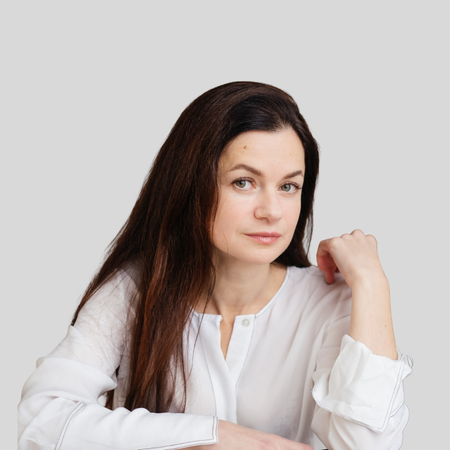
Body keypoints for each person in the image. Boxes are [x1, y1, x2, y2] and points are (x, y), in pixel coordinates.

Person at [18, 81, 413, 450]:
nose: (272, 211)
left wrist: (372, 284)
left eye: (288, 186)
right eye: (243, 182)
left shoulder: (328, 302)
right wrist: (217, 437)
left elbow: (366, 446)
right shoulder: (136, 290)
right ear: (191, 185)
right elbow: (42, 422)